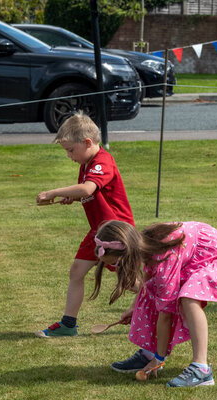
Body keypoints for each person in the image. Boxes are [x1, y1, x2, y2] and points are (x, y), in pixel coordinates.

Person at [91, 220, 217, 387]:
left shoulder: (164, 255)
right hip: (196, 258)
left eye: (115, 263)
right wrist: (133, 307)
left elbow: (166, 315)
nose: (115, 268)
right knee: (151, 289)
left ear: (127, 253)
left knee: (188, 297)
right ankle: (148, 354)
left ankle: (201, 370)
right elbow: (148, 281)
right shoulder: (146, 244)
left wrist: (160, 358)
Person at [35, 111, 135, 337]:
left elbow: (88, 188)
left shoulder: (102, 162)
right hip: (98, 231)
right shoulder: (87, 164)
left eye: (71, 150)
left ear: (87, 142)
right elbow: (88, 192)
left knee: (130, 280)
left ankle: (164, 300)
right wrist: (73, 196)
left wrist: (52, 193)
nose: (69, 155)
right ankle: (68, 324)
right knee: (77, 271)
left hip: (115, 233)